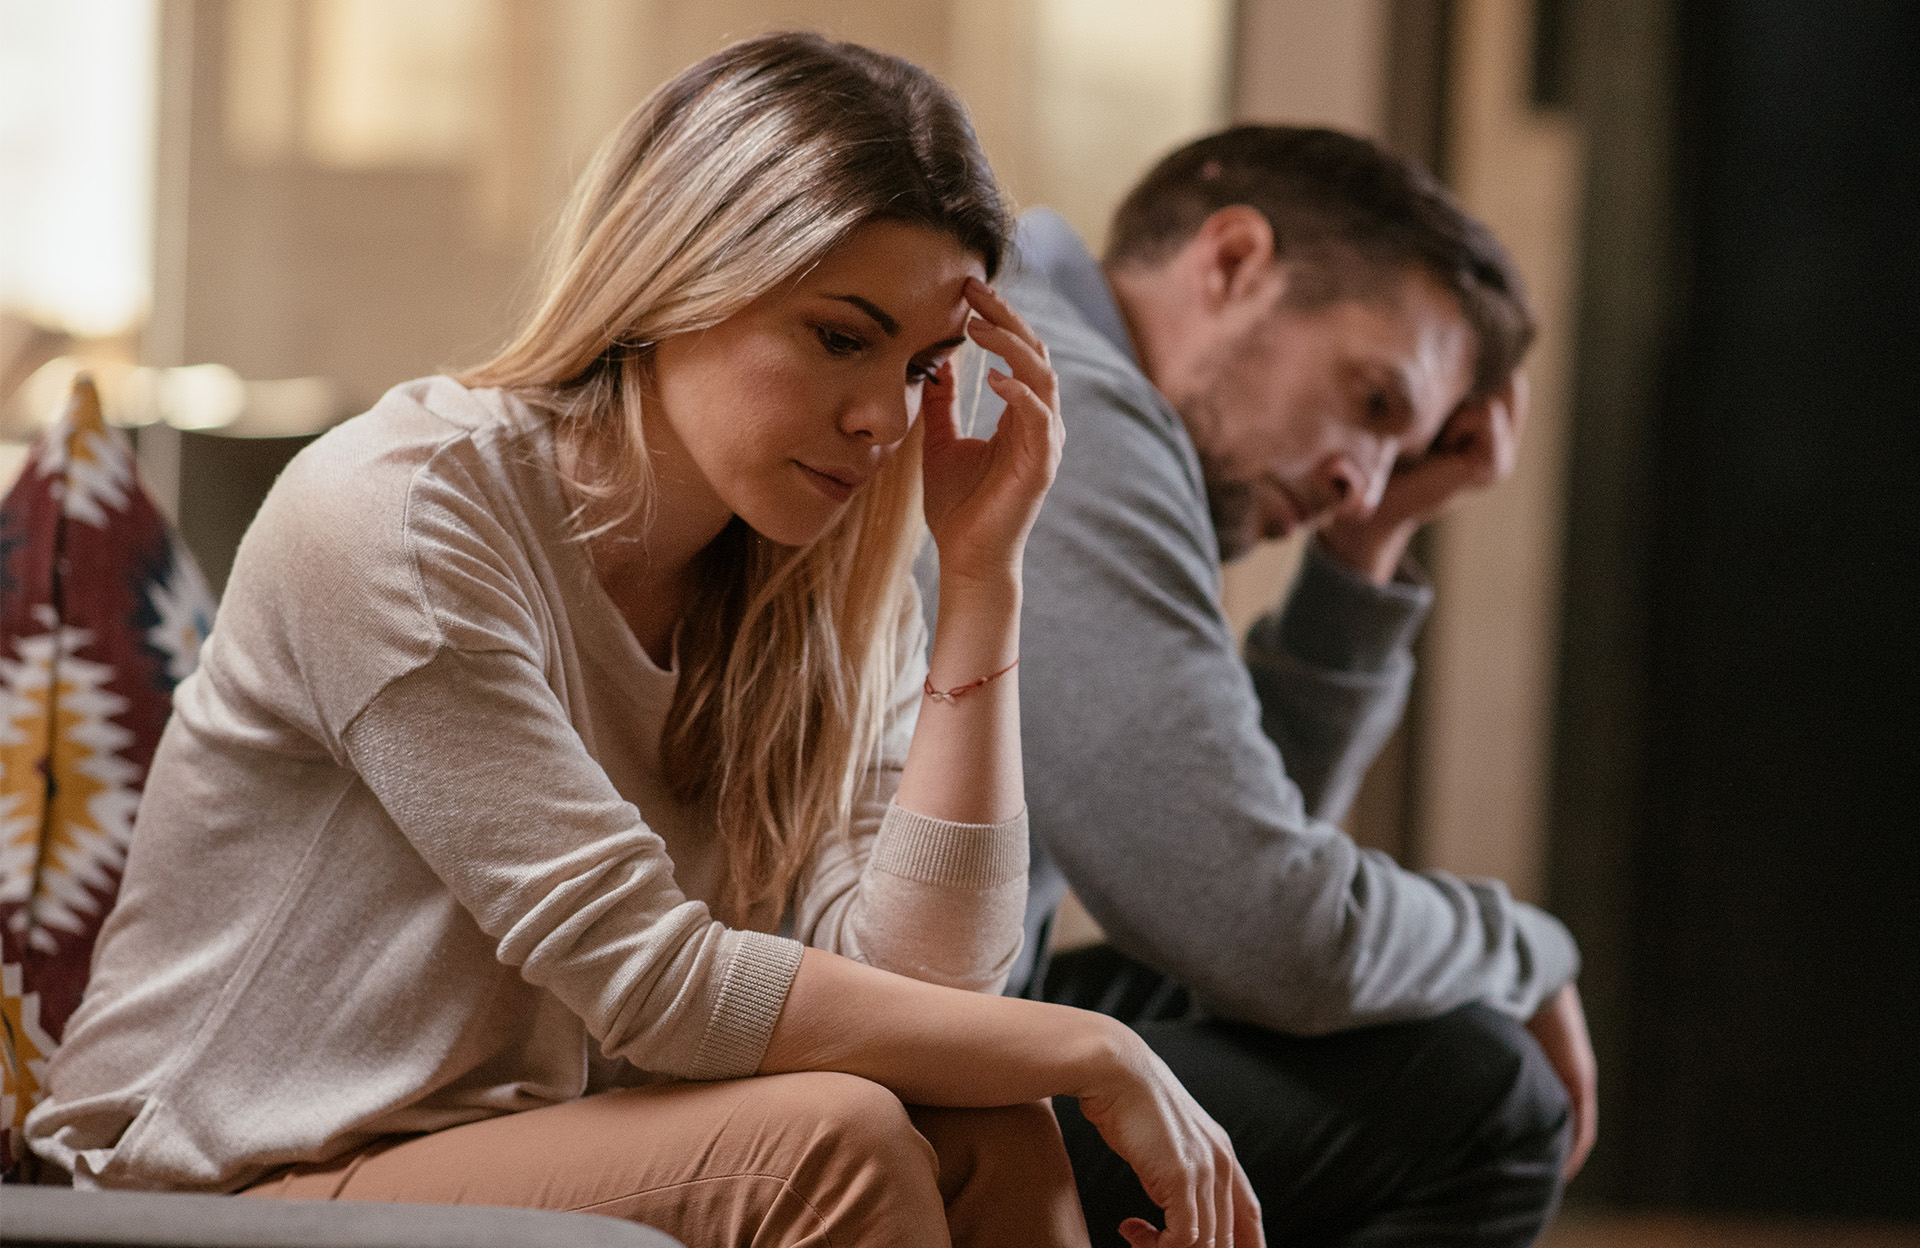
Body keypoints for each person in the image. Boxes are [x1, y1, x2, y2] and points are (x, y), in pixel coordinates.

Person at [27, 35, 1263, 1248]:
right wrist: (1097, 1045)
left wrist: (986, 581)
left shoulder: (831, 566)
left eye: (926, 366)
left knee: (992, 1124)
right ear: (679, 280)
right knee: (835, 1142)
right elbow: (653, 983)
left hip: (522, 1150)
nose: (883, 418)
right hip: (210, 1183)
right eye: (841, 336)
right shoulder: (403, 512)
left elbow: (930, 999)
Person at [917, 126, 1597, 1246]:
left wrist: (1367, 547)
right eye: (1374, 403)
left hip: (910, 1033)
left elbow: (1232, 889)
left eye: (1401, 454)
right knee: (1482, 1093)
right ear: (1232, 262)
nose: (1357, 477)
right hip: (841, 1086)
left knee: (1376, 1013)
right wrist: (1530, 945)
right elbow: (1276, 937)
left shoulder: (1055, 365)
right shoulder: (1066, 407)